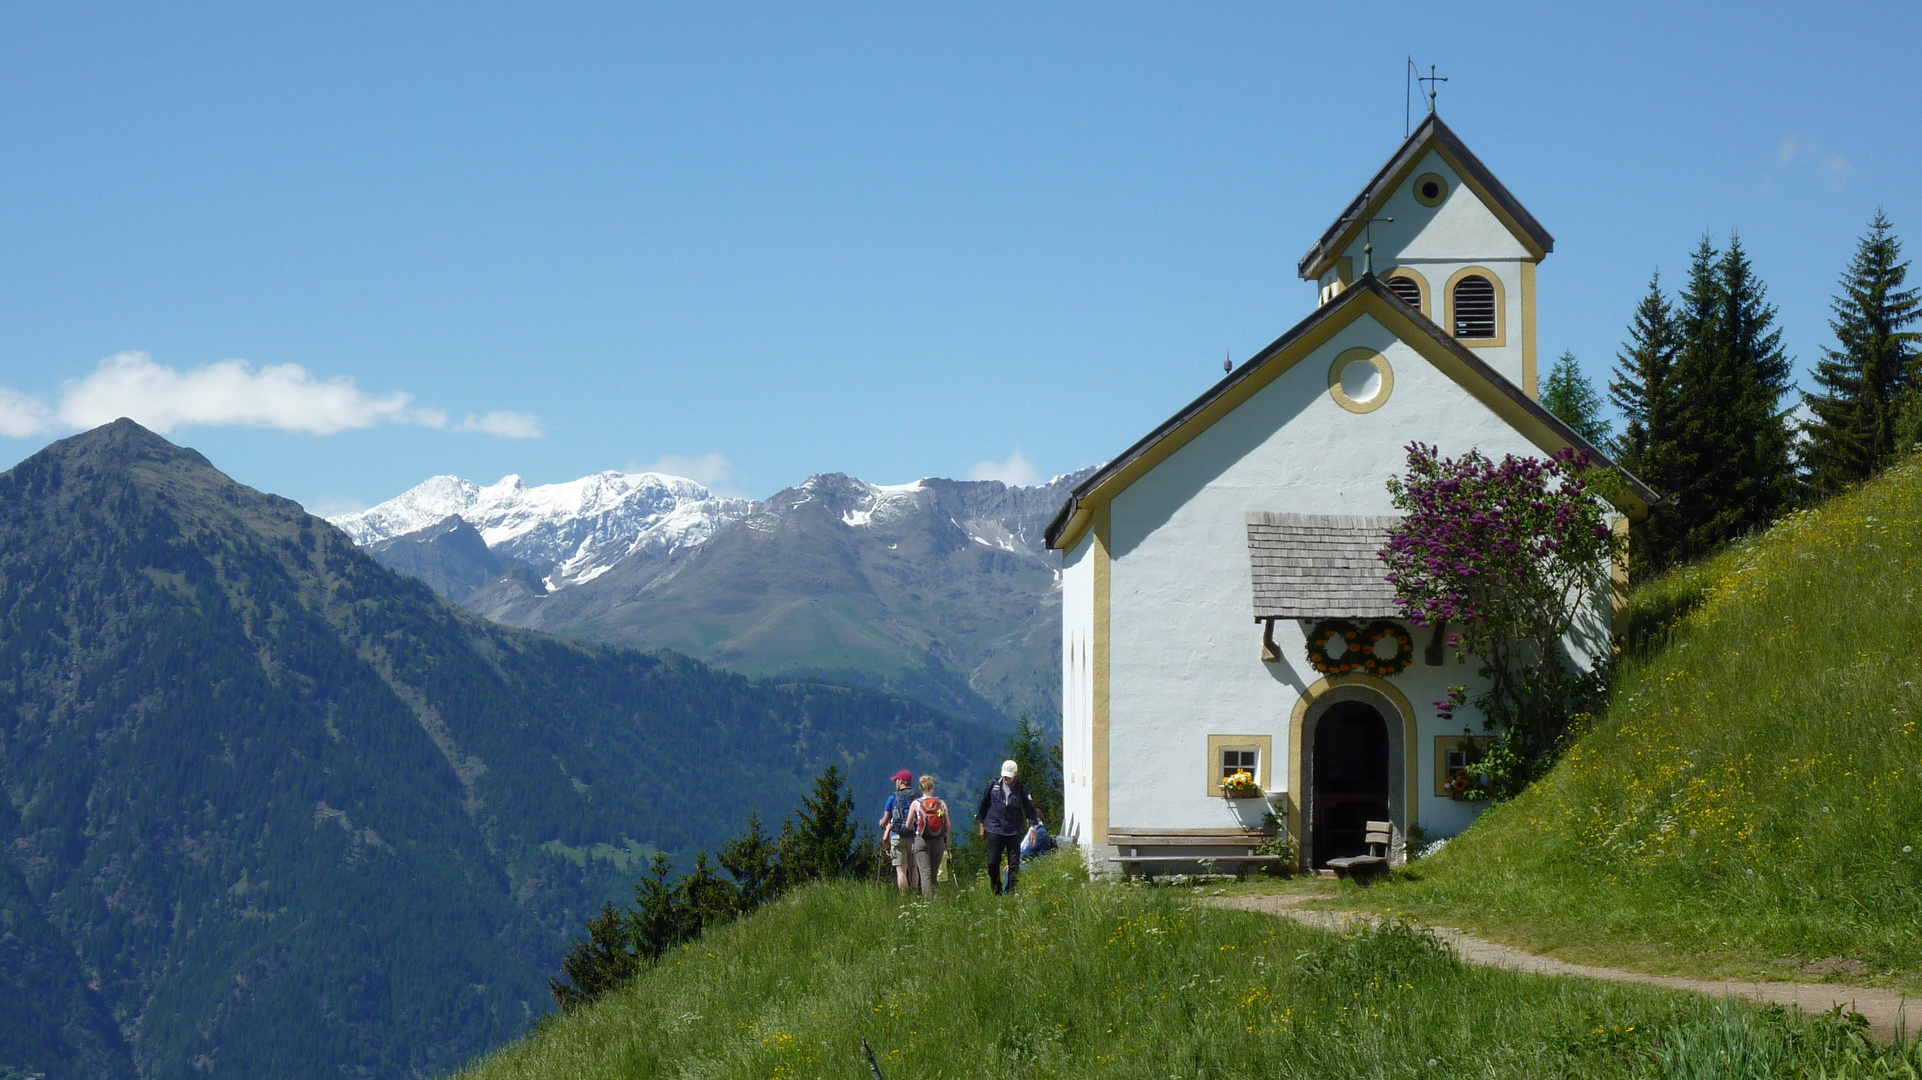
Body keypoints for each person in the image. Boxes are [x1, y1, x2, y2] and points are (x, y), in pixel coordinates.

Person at [976, 759, 1041, 894]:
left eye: (1009, 776)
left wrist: (1033, 828)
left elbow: (1029, 809)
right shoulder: (993, 786)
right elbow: (984, 805)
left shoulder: (1021, 789)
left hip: (1014, 830)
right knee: (993, 862)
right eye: (1005, 775)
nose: (1006, 778)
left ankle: (1011, 891)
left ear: (1015, 774)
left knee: (1013, 863)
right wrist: (981, 824)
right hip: (995, 828)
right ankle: (996, 890)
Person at [904, 774, 951, 900]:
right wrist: (944, 837)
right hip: (938, 841)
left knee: (925, 873)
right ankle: (936, 900)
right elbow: (947, 825)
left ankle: (928, 901)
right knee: (934, 873)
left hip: (921, 840)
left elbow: (908, 825)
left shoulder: (916, 804)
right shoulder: (941, 803)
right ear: (932, 787)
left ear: (920, 788)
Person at [877, 769, 918, 894]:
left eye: (896, 780)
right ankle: (915, 894)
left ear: (900, 781)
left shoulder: (893, 798)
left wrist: (882, 823)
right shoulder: (917, 797)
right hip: (914, 837)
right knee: (914, 868)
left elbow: (885, 821)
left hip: (897, 836)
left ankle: (904, 898)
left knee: (901, 870)